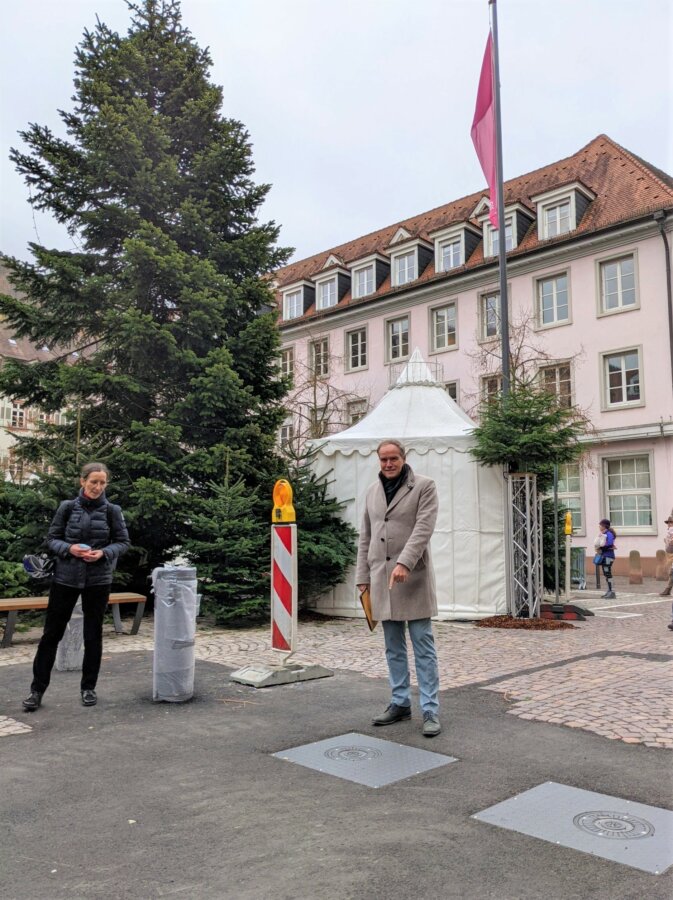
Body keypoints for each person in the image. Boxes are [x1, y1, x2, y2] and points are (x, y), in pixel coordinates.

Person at [22, 462, 130, 711]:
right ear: (82, 481)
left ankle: (88, 688)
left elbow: (123, 542)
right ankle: (36, 690)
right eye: (93, 481)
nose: (98, 487)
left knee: (93, 636)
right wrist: (69, 548)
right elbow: (51, 538)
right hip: (65, 578)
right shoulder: (67, 507)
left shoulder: (113, 510)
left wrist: (103, 553)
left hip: (98, 580)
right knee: (51, 635)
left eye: (102, 483)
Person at [356, 440, 441, 737]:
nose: (388, 464)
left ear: (404, 458)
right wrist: (362, 577)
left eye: (393, 458)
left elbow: (424, 528)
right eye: (383, 459)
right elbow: (365, 536)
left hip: (412, 577)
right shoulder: (371, 492)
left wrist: (405, 562)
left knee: (423, 645)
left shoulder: (424, 486)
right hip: (381, 579)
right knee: (393, 647)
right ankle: (400, 701)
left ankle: (430, 707)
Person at [597, 518, 617, 600]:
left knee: (608, 574)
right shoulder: (604, 534)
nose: (599, 527)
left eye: (600, 525)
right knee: (606, 574)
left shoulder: (609, 534)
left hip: (608, 557)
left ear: (604, 526)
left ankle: (612, 591)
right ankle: (609, 590)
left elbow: (609, 544)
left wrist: (601, 547)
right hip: (605, 556)